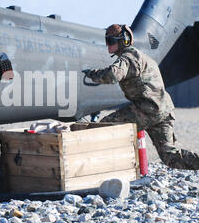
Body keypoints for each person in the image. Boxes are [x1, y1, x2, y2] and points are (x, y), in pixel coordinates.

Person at [83, 23, 199, 170]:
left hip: (147, 109)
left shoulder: (128, 58)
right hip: (163, 110)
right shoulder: (141, 56)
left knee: (105, 126)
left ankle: (100, 168)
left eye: (110, 41)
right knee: (171, 156)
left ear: (122, 41)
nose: (107, 45)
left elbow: (112, 75)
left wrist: (92, 74)